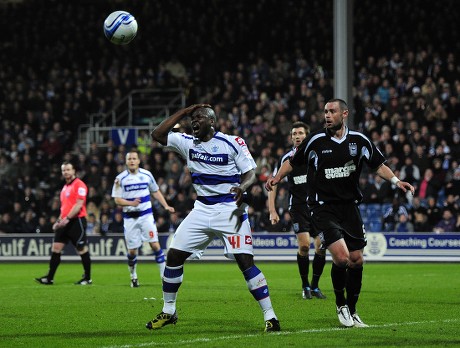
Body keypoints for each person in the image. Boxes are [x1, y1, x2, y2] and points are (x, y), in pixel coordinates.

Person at [266, 99, 414, 328]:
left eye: (332, 111)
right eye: (325, 111)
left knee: (356, 260)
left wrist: (396, 180)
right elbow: (292, 162)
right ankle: (340, 304)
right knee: (342, 257)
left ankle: (353, 311)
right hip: (322, 208)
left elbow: (377, 164)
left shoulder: (359, 140)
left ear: (344, 113)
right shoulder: (314, 141)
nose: (327, 115)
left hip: (349, 208)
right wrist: (277, 178)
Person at [147, 104, 280, 332]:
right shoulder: (187, 142)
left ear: (212, 122)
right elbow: (157, 134)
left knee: (245, 263)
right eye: (192, 119)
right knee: (174, 256)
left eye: (199, 118)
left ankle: (271, 316)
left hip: (230, 209)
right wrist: (184, 112)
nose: (194, 122)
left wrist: (242, 186)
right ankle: (169, 311)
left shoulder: (232, 142)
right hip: (201, 209)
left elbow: (250, 172)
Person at [267, 121, 327, 300]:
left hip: (317, 206)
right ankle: (305, 285)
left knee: (321, 247)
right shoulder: (287, 158)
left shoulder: (316, 156)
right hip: (298, 207)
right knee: (304, 246)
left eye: (300, 133)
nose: (297, 136)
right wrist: (273, 210)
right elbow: (273, 183)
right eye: (294, 134)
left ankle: (315, 286)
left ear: (306, 136)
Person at [111, 150, 175, 288]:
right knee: (132, 251)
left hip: (146, 216)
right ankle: (133, 277)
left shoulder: (146, 175)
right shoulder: (120, 179)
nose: (132, 161)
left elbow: (155, 191)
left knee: (155, 245)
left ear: (139, 161)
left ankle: (164, 277)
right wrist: (130, 203)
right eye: (129, 159)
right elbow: (116, 200)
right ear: (126, 161)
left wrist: (166, 205)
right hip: (130, 218)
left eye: (134, 158)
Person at [35, 161, 92, 285]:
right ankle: (49, 278)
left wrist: (67, 219)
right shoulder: (65, 187)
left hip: (77, 221)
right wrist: (59, 221)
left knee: (81, 249)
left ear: (73, 171)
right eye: (63, 170)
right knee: (56, 248)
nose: (65, 172)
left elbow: (79, 205)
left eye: (68, 170)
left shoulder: (79, 185)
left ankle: (87, 278)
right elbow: (64, 208)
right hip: (64, 222)